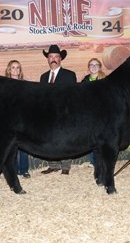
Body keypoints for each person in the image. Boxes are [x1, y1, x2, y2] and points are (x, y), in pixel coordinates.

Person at [40, 44, 77, 175]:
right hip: (49, 114)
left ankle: (66, 166)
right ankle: (53, 165)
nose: (53, 59)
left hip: (65, 113)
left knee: (65, 139)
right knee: (50, 139)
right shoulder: (43, 77)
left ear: (60, 59)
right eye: (51, 57)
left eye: (56, 56)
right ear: (48, 59)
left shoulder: (69, 75)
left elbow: (73, 96)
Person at [5, 60, 30, 178]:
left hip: (23, 119)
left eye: (18, 68)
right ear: (9, 70)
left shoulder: (25, 84)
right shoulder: (5, 85)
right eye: (13, 67)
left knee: (24, 146)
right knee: (11, 147)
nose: (15, 70)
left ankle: (24, 170)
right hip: (10, 120)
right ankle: (13, 170)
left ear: (20, 70)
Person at [81, 58, 106, 168]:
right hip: (89, 114)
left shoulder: (105, 80)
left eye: (96, 65)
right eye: (91, 65)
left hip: (103, 114)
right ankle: (93, 161)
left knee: (104, 137)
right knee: (92, 137)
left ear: (100, 67)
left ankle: (104, 160)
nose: (94, 67)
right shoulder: (84, 82)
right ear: (88, 68)